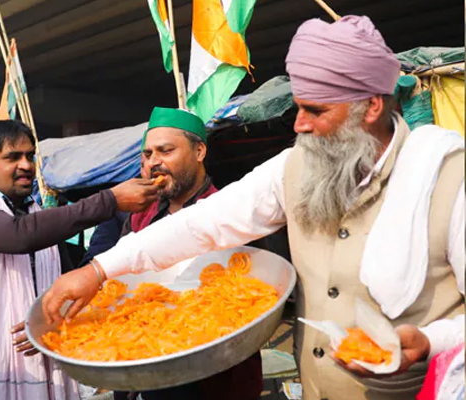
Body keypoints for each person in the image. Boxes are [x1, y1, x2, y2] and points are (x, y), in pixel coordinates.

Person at [42, 16, 464, 400]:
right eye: (298, 107)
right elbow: (202, 223)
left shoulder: (447, 178)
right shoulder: (293, 169)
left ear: (371, 106)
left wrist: (432, 341)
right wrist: (97, 270)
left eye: (315, 111)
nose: (298, 124)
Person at [0, 120, 160, 400]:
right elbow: (17, 236)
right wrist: (110, 200)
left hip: (44, 366)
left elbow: (68, 285)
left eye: (30, 156)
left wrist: (49, 323)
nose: (26, 165)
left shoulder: (37, 215)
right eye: (12, 157)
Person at [112, 107, 262, 400]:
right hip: (145, 366)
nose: (154, 162)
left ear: (199, 151)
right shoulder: (140, 217)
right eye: (147, 154)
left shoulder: (230, 212)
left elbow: (251, 297)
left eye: (165, 151)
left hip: (213, 377)